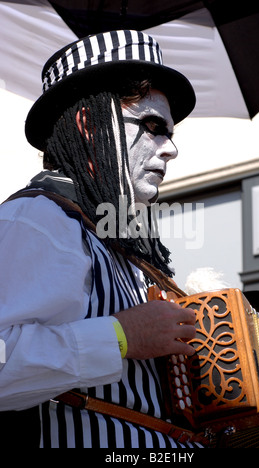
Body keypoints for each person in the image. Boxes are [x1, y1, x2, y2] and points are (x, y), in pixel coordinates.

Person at [0, 30, 200, 448]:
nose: (170, 149)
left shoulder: (123, 242)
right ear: (88, 123)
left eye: (170, 132)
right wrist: (120, 337)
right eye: (151, 126)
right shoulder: (38, 218)